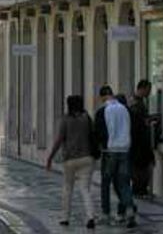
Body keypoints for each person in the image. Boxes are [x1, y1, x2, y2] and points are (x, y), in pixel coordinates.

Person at [46, 95, 97, 229]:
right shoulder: (87, 118)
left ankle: (65, 218)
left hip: (70, 160)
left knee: (67, 188)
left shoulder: (66, 119)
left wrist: (50, 157)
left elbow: (59, 140)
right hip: (87, 158)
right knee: (85, 189)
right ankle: (90, 216)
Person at [95, 85, 136, 227]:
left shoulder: (102, 111)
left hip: (109, 151)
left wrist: (100, 147)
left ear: (102, 97)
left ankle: (105, 213)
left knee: (106, 183)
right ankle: (129, 210)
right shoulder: (125, 109)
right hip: (125, 150)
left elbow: (99, 133)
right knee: (124, 182)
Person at [129, 80, 155, 196]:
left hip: (140, 141)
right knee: (140, 168)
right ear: (142, 89)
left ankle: (140, 189)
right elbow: (137, 123)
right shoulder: (136, 104)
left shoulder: (138, 103)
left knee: (142, 167)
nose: (149, 93)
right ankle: (139, 189)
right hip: (138, 142)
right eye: (148, 90)